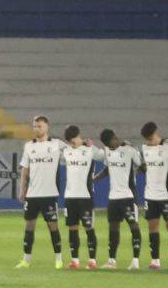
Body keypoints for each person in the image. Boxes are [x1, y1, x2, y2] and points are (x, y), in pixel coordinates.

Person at [14, 115, 65, 269]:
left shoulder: (57, 144)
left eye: (39, 126)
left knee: (53, 226)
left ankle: (58, 259)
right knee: (29, 226)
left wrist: (84, 143)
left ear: (47, 127)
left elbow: (75, 147)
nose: (36, 129)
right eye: (35, 126)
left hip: (49, 194)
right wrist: (22, 190)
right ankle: (26, 259)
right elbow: (24, 169)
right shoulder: (29, 146)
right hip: (33, 194)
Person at [138, 123, 168, 269]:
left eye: (150, 138)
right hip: (150, 195)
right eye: (146, 139)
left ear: (156, 133)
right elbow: (145, 166)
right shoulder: (144, 148)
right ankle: (155, 261)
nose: (149, 141)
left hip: (167, 195)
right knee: (152, 227)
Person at [59, 125, 102, 269]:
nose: (72, 144)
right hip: (70, 196)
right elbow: (58, 159)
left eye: (73, 140)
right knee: (72, 228)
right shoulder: (66, 151)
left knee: (89, 228)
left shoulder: (89, 150)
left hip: (85, 196)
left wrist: (92, 146)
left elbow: (104, 156)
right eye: (70, 142)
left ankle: (92, 260)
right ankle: (75, 260)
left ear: (79, 136)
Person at [100, 128, 142, 270]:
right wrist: (93, 180)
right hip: (113, 197)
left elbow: (140, 165)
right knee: (113, 227)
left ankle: (135, 261)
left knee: (133, 226)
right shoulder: (106, 151)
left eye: (116, 137)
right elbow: (107, 170)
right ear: (108, 143)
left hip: (128, 196)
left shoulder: (129, 150)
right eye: (113, 139)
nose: (116, 140)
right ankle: (112, 261)